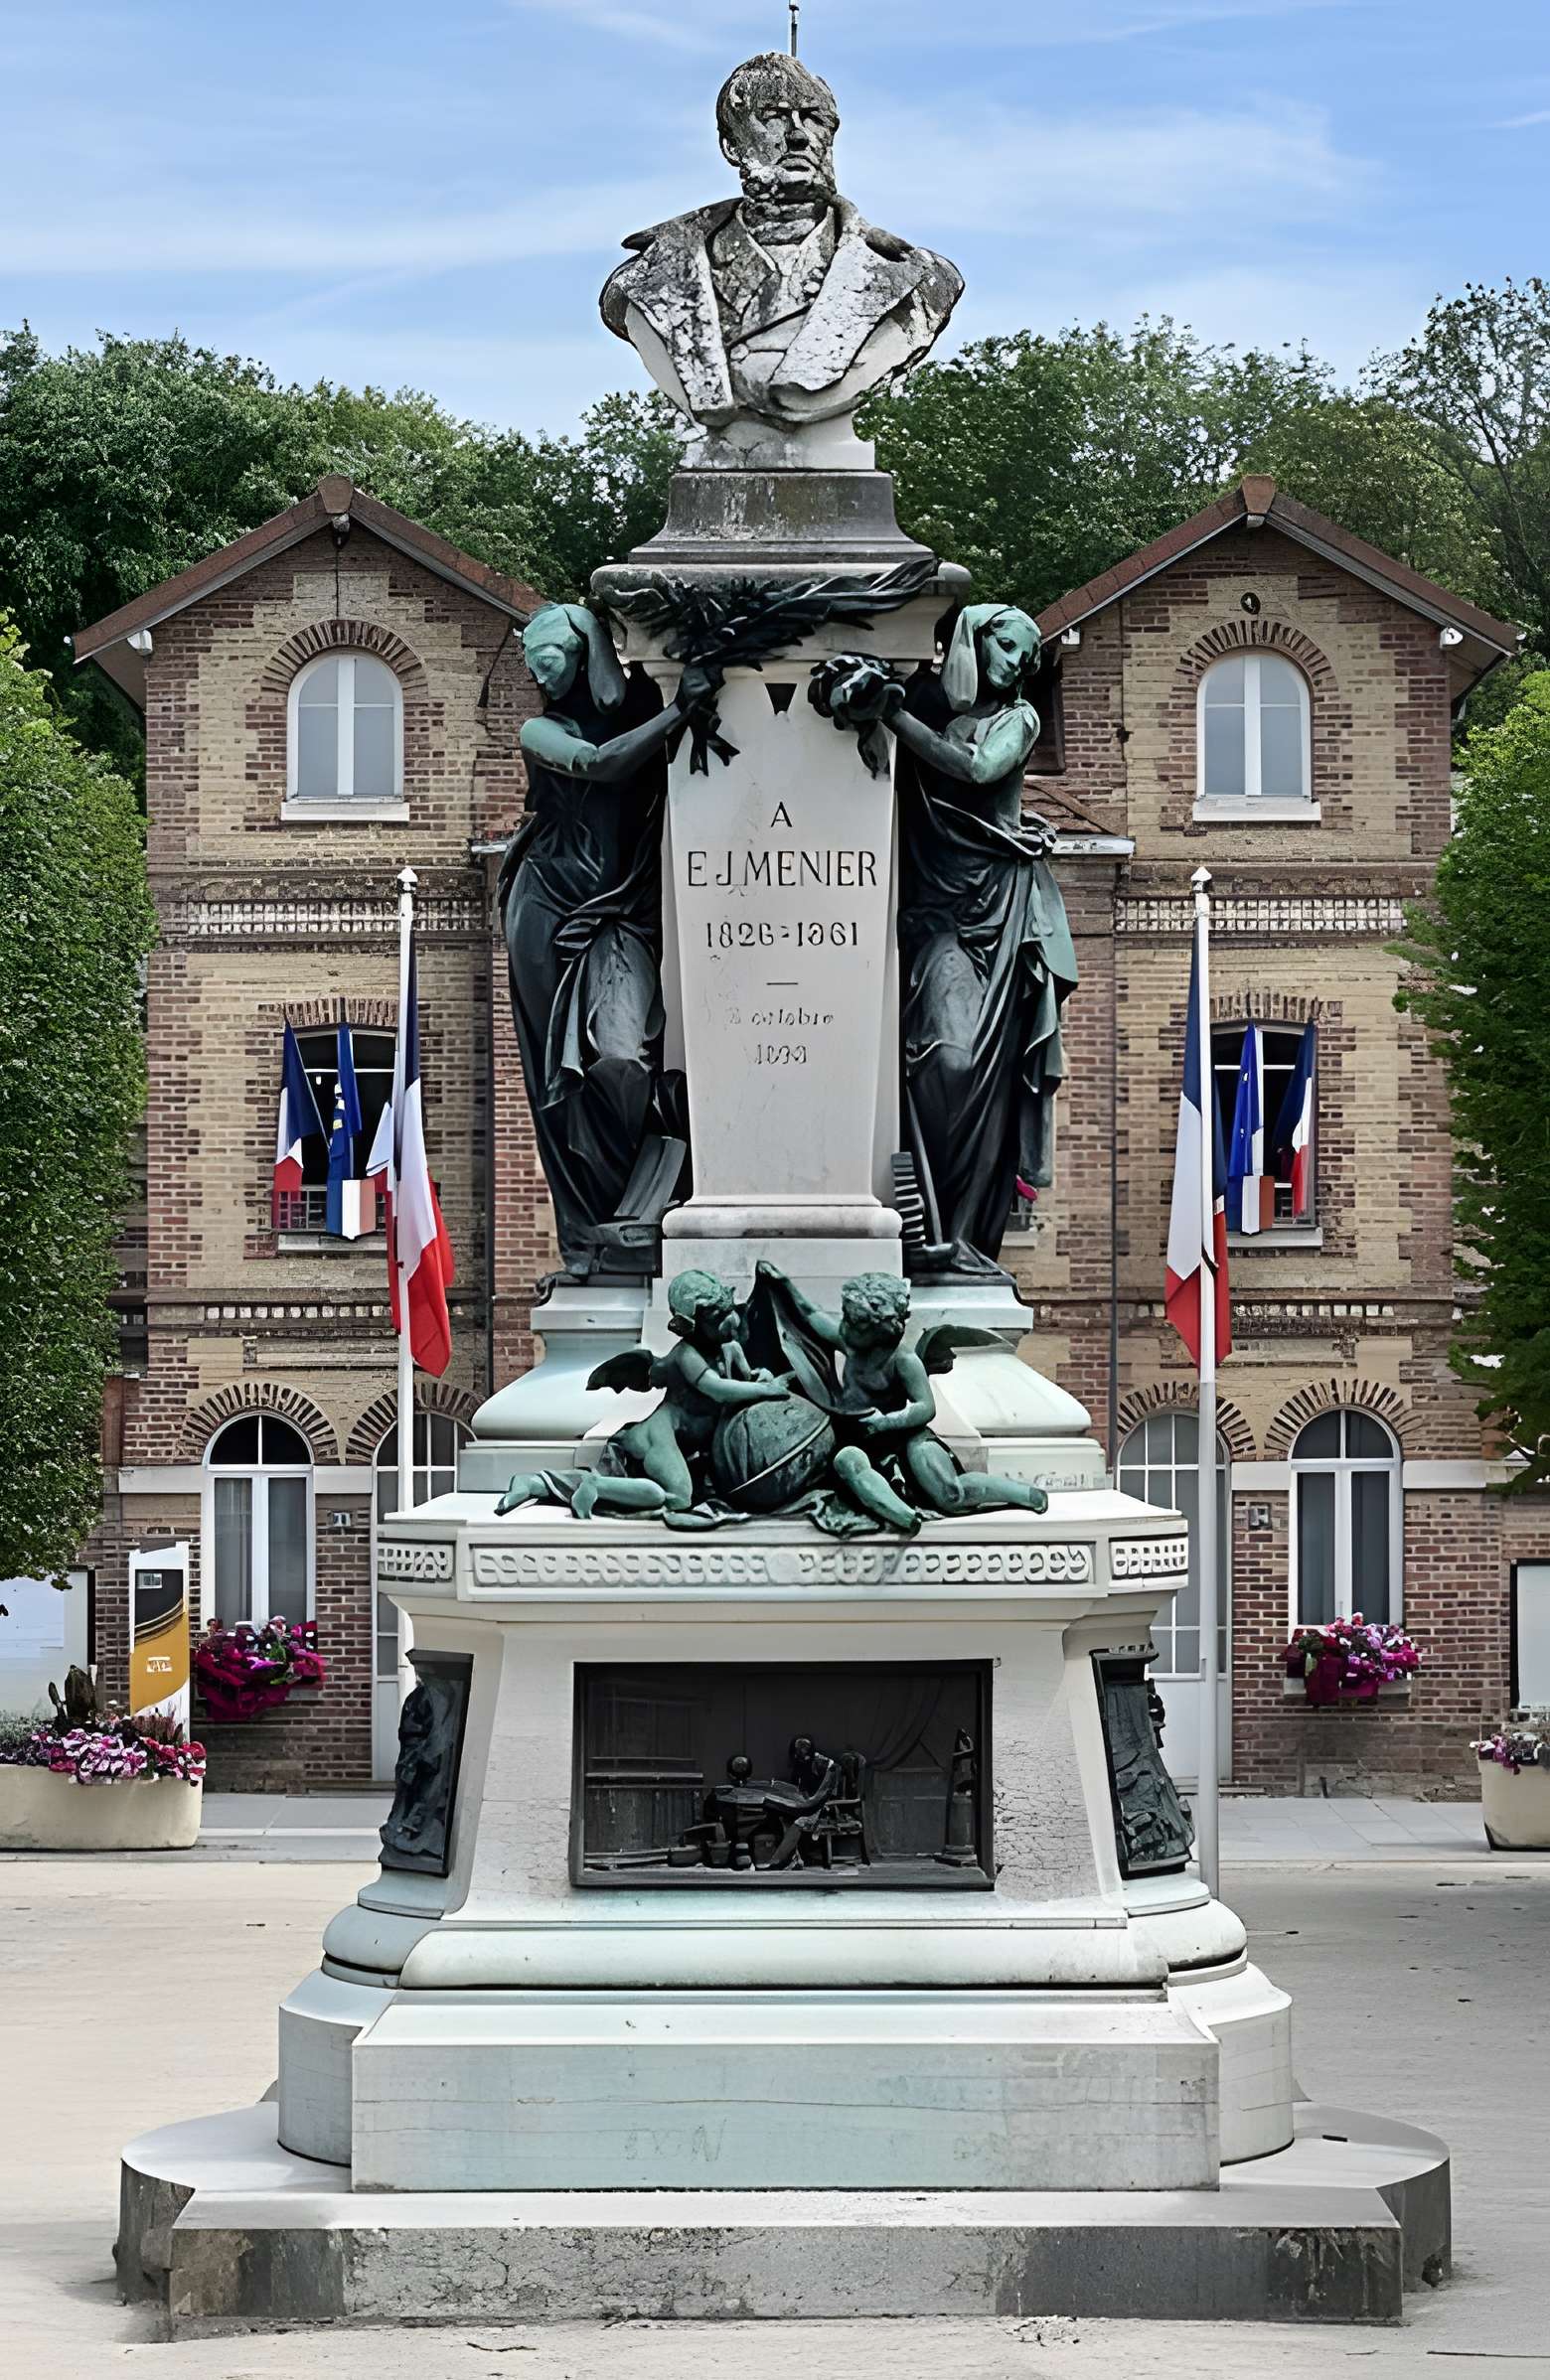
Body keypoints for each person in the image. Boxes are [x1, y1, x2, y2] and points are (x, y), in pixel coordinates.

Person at [820, 608, 1078, 1272]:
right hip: (935, 915)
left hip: (999, 914)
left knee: (985, 1077)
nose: (1020, 663)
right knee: (947, 1061)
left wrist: (891, 715)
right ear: (974, 640)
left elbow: (972, 769)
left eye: (1028, 656)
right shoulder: (929, 700)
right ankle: (926, 1216)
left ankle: (960, 1233)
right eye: (1009, 647)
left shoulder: (1017, 720)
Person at [497, 605, 718, 1275]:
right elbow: (598, 764)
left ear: (587, 644)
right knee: (565, 1080)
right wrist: (681, 714)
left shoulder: (642, 697)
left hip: (622, 908)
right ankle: (601, 1222)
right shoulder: (542, 728)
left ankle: (637, 1203)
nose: (540, 666)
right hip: (549, 910)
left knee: (621, 1059)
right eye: (532, 657)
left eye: (552, 650)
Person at [599, 51, 962, 446]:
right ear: (731, 147)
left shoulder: (915, 279)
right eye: (773, 116)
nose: (799, 135)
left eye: (813, 118)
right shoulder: (648, 280)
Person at [754, 1263, 1050, 1521]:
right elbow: (809, 1314)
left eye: (854, 1324)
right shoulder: (852, 1344)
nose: (844, 1327)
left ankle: (1026, 1494)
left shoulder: (904, 1360)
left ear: (879, 1329)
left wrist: (886, 1422)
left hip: (905, 1437)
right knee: (847, 1462)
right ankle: (902, 1515)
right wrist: (784, 1284)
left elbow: (926, 1407)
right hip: (861, 1437)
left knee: (949, 1492)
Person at [496, 1268, 790, 1522]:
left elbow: (744, 1379)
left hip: (692, 1442)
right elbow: (718, 1389)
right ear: (692, 1326)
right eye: (717, 1317)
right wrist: (767, 1389)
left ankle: (536, 1484)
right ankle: (596, 1488)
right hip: (660, 1435)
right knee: (677, 1497)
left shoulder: (731, 1349)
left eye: (729, 1311)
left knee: (674, 1494)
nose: (732, 1322)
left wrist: (760, 1378)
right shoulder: (686, 1356)